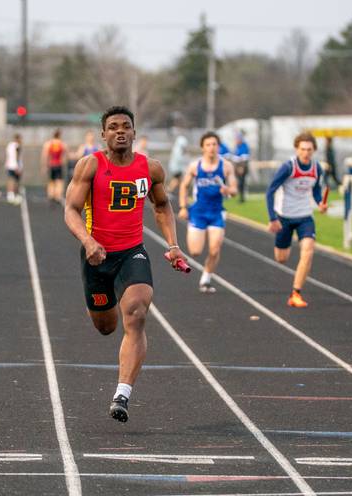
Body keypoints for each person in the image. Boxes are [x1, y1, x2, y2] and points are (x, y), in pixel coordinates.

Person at [64, 105, 186, 423]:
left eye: (126, 126)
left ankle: (122, 394)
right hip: (96, 255)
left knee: (136, 311)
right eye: (114, 126)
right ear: (104, 134)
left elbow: (161, 206)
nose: (121, 131)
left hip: (132, 252)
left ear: (134, 132)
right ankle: (106, 310)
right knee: (106, 326)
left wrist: (173, 245)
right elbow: (71, 209)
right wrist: (88, 242)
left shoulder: (151, 168)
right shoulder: (90, 166)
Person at [266, 132, 328, 308]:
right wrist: (272, 218)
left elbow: (316, 190)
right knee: (281, 258)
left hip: (305, 217)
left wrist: (320, 203)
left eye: (309, 149)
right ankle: (283, 246)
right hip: (284, 217)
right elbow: (270, 191)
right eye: (302, 149)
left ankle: (296, 293)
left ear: (314, 150)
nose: (306, 153)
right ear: (296, 149)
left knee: (308, 251)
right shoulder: (288, 167)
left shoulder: (317, 169)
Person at [178, 131, 238, 293]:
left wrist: (228, 190)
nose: (212, 148)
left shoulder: (226, 166)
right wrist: (183, 206)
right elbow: (184, 186)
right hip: (198, 212)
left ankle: (206, 279)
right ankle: (203, 272)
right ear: (203, 148)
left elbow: (234, 190)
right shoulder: (195, 166)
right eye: (208, 145)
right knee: (195, 252)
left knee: (214, 249)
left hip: (217, 212)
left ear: (218, 147)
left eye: (214, 144)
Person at [41, 129, 67, 203]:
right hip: (58, 165)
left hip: (51, 165)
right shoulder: (62, 143)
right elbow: (65, 154)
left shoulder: (48, 143)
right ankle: (58, 196)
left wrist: (44, 166)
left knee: (51, 181)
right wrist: (64, 162)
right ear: (59, 135)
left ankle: (51, 195)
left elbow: (45, 155)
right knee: (59, 181)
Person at [4, 133, 23, 205]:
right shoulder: (17, 146)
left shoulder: (9, 145)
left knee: (10, 180)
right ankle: (14, 195)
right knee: (15, 181)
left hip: (9, 165)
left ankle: (10, 195)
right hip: (15, 166)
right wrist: (17, 167)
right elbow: (17, 157)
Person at [234, 131, 250, 202]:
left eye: (237, 138)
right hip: (237, 167)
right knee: (239, 183)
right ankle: (240, 197)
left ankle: (242, 198)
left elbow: (244, 158)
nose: (236, 140)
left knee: (242, 182)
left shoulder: (244, 146)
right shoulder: (237, 147)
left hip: (242, 167)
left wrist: (241, 167)